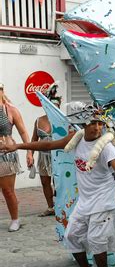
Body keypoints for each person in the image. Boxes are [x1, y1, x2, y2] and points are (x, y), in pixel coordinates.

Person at [1, 104, 115, 267]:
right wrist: (18, 146)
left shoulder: (106, 147)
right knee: (72, 237)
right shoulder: (75, 139)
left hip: (103, 202)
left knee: (96, 241)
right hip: (85, 202)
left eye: (99, 123)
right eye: (92, 123)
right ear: (82, 125)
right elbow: (48, 145)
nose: (96, 128)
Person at [0, 82, 32, 232]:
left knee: (7, 190)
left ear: (2, 91)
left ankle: (15, 219)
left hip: (5, 156)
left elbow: (23, 132)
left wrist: (29, 151)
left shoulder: (11, 110)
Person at [28, 85, 61, 217]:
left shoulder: (62, 120)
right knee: (44, 181)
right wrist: (30, 154)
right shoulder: (39, 121)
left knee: (58, 181)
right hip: (43, 156)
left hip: (58, 155)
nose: (54, 107)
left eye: (57, 105)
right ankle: (50, 207)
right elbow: (33, 140)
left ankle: (61, 204)